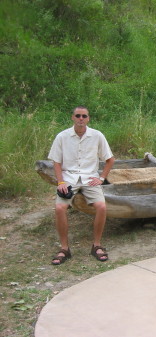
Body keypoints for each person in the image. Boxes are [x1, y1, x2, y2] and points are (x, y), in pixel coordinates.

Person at [48, 106, 115, 265]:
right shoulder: (62, 136)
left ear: (88, 118)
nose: (81, 118)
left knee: (102, 206)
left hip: (90, 177)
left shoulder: (97, 136)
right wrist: (61, 182)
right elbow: (56, 162)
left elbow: (110, 159)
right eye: (78, 115)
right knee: (59, 208)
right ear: (72, 117)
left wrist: (102, 177)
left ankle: (96, 245)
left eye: (84, 116)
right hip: (69, 178)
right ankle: (64, 248)